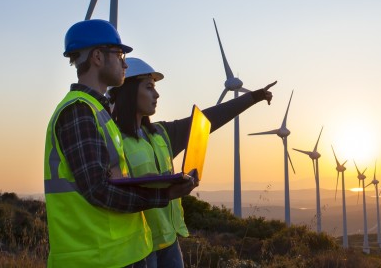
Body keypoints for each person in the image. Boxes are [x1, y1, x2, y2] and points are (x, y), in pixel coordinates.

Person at [44, 20, 197, 268]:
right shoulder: (79, 111)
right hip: (96, 257)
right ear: (97, 57)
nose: (125, 63)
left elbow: (110, 178)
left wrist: (153, 181)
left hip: (120, 253)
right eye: (119, 54)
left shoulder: (97, 111)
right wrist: (163, 194)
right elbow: (98, 189)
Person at [108, 57, 275, 268]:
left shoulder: (161, 134)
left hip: (169, 242)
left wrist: (252, 97)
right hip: (138, 246)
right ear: (129, 92)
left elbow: (206, 121)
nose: (157, 94)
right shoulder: (112, 140)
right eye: (149, 87)